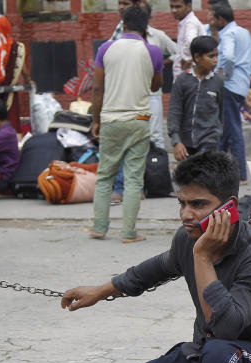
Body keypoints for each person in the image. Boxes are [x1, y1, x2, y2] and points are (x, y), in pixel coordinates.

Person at [60, 151, 251, 363]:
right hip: (206, 355)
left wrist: (202, 258)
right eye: (182, 203)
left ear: (229, 206)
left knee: (219, 353)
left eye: (198, 204)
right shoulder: (187, 238)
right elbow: (153, 270)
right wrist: (100, 291)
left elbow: (226, 328)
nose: (186, 214)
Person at [90, 5, 163, 242]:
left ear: (122, 23)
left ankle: (99, 228)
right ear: (146, 27)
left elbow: (98, 87)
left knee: (104, 177)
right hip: (139, 121)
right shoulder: (152, 51)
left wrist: (96, 120)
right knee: (133, 179)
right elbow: (155, 86)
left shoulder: (105, 49)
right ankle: (129, 232)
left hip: (111, 119)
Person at [209, 2, 251, 182]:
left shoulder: (228, 34)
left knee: (232, 130)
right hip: (241, 85)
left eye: (212, 18)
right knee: (225, 131)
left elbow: (227, 56)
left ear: (221, 19)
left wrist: (223, 75)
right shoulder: (244, 32)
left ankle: (240, 173)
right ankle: (220, 171)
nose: (211, 22)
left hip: (229, 85)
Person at [168, 36, 224, 162]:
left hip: (209, 141)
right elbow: (174, 112)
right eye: (211, 56)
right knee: (189, 179)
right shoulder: (182, 80)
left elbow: (221, 112)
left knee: (204, 176)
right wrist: (176, 141)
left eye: (216, 56)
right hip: (185, 143)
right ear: (197, 57)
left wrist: (217, 133)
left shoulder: (218, 81)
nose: (215, 60)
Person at [170, 0, 204, 78]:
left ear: (189, 6)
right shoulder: (186, 22)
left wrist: (186, 59)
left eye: (178, 7)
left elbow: (191, 41)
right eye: (171, 7)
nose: (173, 10)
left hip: (187, 77)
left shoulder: (190, 22)